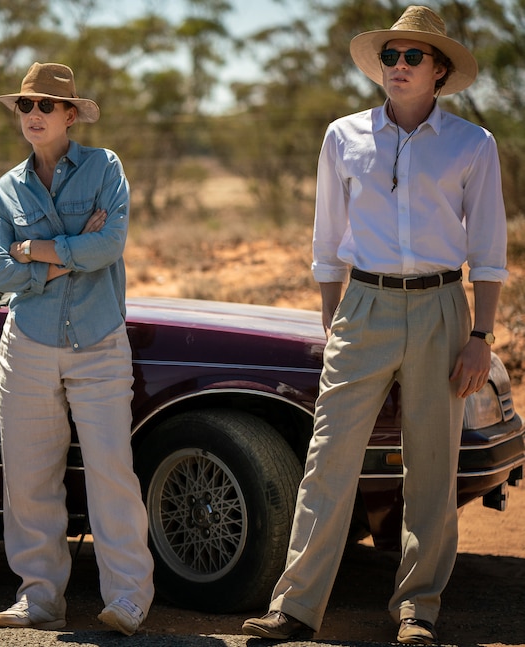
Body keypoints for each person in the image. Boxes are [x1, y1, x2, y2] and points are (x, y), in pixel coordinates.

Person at [242, 6, 507, 645]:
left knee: (432, 465)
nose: (398, 66)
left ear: (440, 70)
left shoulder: (473, 144)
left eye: (413, 56)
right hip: (362, 307)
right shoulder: (342, 137)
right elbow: (328, 241)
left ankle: (418, 609)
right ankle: (296, 607)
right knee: (328, 456)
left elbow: (491, 249)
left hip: (444, 308)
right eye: (390, 56)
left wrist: (481, 336)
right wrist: (334, 318)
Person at [0, 62, 155, 636]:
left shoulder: (105, 167)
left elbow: (109, 245)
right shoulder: (7, 188)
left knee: (111, 471)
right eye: (25, 106)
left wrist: (35, 250)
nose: (32, 115)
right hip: (26, 345)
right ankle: (39, 597)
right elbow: (0, 269)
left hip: (99, 341)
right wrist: (56, 257)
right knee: (29, 477)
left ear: (70, 114)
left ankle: (128, 597)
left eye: (45, 106)